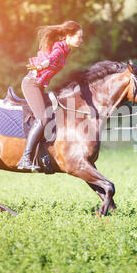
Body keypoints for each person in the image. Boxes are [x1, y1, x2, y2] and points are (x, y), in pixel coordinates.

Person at [17, 20, 83, 170]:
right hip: (31, 84)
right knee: (43, 118)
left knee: (55, 112)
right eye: (79, 37)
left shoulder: (66, 49)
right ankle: (25, 158)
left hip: (39, 86)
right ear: (68, 35)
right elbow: (51, 58)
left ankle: (42, 153)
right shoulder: (60, 49)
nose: (81, 40)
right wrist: (40, 66)